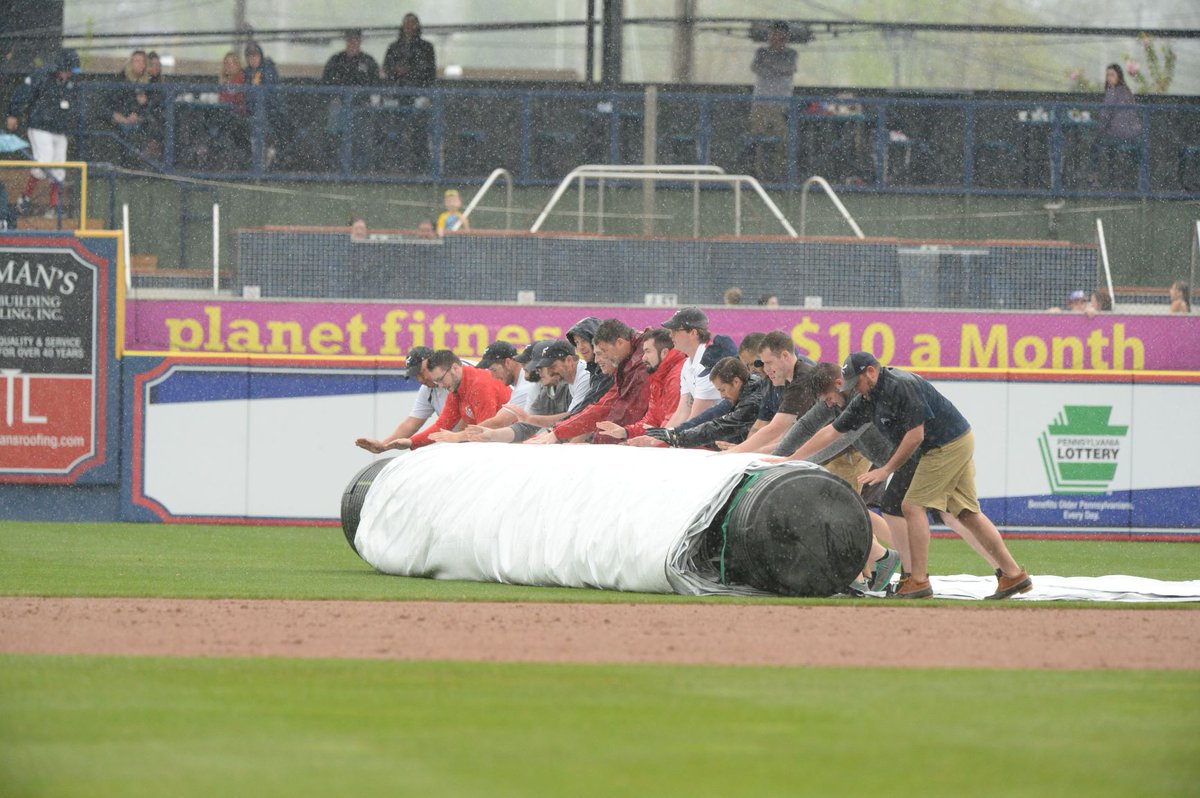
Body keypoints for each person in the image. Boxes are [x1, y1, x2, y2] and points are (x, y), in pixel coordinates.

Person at [781, 352, 1031, 600]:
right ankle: (1013, 574)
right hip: (944, 444)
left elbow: (916, 436)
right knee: (964, 513)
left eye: (855, 383)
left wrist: (886, 469)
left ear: (871, 372)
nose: (854, 390)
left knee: (910, 506)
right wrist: (792, 460)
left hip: (944, 445)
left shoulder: (901, 386)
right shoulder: (867, 398)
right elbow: (831, 433)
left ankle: (917, 580)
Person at [529, 319, 650, 445]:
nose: (597, 359)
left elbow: (621, 411)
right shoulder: (624, 365)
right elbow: (603, 407)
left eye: (601, 352)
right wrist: (557, 431)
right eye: (576, 343)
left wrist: (597, 441)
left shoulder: (637, 365)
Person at [380, 349, 511, 450]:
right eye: (436, 382)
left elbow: (485, 433)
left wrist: (457, 436)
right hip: (501, 443)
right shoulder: (455, 386)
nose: (440, 386)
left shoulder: (480, 385)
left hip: (516, 445)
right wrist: (411, 442)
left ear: (454, 368)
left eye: (441, 379)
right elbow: (442, 425)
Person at [5, 48, 81, 218]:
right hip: (40, 126)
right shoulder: (43, 75)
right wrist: (13, 112)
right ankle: (25, 199)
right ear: (62, 66)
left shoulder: (71, 84)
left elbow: (75, 106)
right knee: (44, 163)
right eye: (68, 70)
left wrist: (70, 120)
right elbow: (23, 92)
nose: (69, 74)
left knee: (59, 168)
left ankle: (53, 207)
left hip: (60, 130)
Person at [643, 357, 768, 449]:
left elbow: (721, 426)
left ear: (736, 382)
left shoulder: (752, 401)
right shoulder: (746, 390)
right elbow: (710, 418)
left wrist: (679, 438)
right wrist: (676, 433)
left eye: (722, 389)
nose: (722, 395)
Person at [723, 330, 815, 454]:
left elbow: (776, 429)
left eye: (768, 363)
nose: (765, 369)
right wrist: (745, 450)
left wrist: (739, 452)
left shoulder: (801, 381)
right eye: (763, 363)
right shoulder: (788, 379)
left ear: (785, 356)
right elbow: (782, 433)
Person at [595, 327, 685, 442]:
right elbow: (651, 420)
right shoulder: (657, 377)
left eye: (647, 351)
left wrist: (654, 441)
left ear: (664, 353)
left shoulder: (677, 377)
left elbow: (674, 424)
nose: (643, 358)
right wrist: (626, 432)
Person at [354, 347, 449, 453]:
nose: (420, 379)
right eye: (415, 375)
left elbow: (450, 423)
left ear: (434, 362)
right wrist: (383, 446)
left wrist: (412, 442)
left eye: (421, 372)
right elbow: (411, 424)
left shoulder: (458, 374)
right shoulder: (428, 389)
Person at [749, 20, 797, 180]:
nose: (774, 36)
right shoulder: (761, 52)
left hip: (781, 105)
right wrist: (773, 66)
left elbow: (789, 69)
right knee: (758, 138)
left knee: (782, 140)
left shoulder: (791, 54)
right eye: (772, 33)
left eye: (778, 33)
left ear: (785, 35)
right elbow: (756, 67)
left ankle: (779, 173)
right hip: (761, 103)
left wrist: (771, 65)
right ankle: (758, 172)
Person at [660, 307, 722, 428]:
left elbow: (697, 416)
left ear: (693, 333)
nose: (670, 335)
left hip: (724, 435)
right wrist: (655, 439)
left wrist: (667, 439)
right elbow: (683, 412)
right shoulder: (687, 364)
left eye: (675, 330)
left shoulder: (709, 362)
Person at [1088, 63, 1140, 188]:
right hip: (1133, 135)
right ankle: (1116, 180)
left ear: (1119, 77)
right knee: (1108, 146)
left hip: (1119, 133)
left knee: (1095, 145)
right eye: (1107, 75)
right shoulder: (1127, 92)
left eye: (1112, 75)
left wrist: (1099, 130)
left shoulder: (1112, 91)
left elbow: (1105, 115)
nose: (1109, 78)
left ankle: (1093, 178)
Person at [243, 41, 280, 166]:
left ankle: (265, 160)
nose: (252, 59)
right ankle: (257, 161)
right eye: (249, 56)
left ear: (260, 56)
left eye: (255, 55)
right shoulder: (247, 73)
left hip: (270, 111)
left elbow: (270, 96)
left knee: (261, 124)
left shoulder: (268, 70)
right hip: (251, 112)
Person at [384, 13, 437, 91]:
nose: (409, 26)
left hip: (420, 89)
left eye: (412, 23)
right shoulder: (394, 47)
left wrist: (410, 70)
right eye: (406, 23)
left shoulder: (426, 47)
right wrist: (396, 69)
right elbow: (387, 66)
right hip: (397, 89)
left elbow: (429, 70)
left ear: (417, 26)